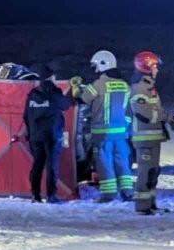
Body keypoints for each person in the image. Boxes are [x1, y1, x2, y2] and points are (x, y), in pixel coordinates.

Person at [71, 50, 134, 202]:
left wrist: (76, 87)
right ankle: (127, 192)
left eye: (96, 66)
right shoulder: (125, 85)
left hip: (102, 133)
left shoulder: (99, 84)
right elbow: (129, 110)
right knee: (122, 162)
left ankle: (108, 194)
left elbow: (82, 99)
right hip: (121, 133)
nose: (95, 69)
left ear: (103, 64)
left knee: (104, 163)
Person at [130, 51, 174, 215]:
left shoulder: (149, 87)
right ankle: (142, 207)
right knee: (146, 172)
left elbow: (155, 110)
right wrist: (164, 117)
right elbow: (145, 114)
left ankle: (150, 204)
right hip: (144, 139)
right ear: (148, 67)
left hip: (152, 139)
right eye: (155, 66)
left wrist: (169, 119)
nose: (157, 70)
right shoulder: (139, 89)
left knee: (153, 172)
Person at [22, 64, 71, 203]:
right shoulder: (54, 92)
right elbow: (66, 105)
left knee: (37, 165)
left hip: (35, 136)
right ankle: (51, 195)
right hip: (51, 136)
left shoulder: (32, 94)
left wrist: (30, 133)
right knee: (51, 166)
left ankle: (35, 195)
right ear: (50, 77)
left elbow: (26, 115)